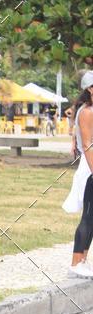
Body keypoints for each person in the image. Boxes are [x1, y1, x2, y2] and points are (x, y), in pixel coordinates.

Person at [62, 71, 93, 278]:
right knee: (88, 216)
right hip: (90, 166)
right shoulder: (87, 112)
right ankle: (75, 262)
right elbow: (88, 143)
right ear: (90, 89)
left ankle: (83, 260)